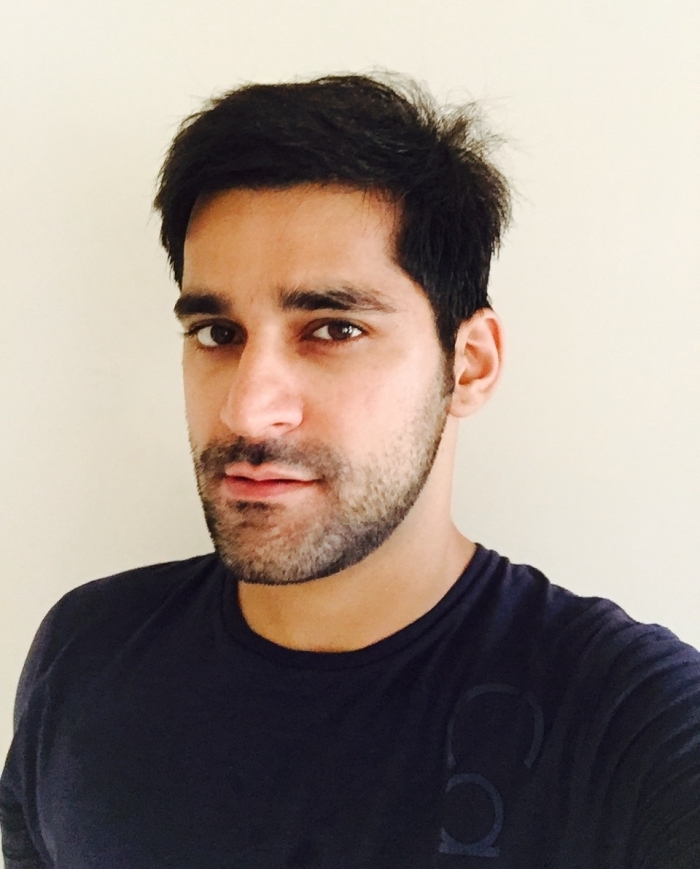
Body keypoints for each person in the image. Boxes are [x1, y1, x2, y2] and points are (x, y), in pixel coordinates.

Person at [1, 74, 699, 869]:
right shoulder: (85, 653)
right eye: (217, 332)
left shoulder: (634, 723)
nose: (247, 411)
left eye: (333, 328)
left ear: (469, 364)